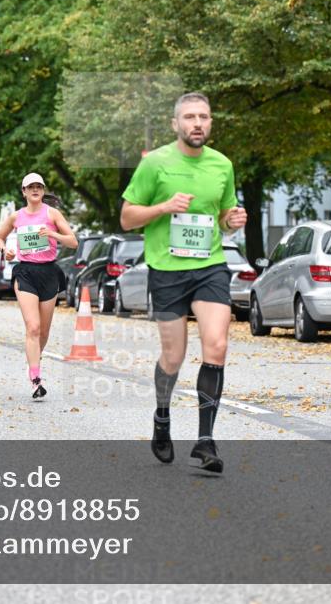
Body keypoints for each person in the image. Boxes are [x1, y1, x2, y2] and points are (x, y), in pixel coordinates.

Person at [120, 92, 247, 474]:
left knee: (217, 344)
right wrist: (163, 207)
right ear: (175, 124)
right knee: (174, 356)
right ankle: (162, 416)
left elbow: (224, 213)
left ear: (211, 123)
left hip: (210, 265)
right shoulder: (155, 163)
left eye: (204, 117)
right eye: (189, 117)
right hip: (167, 270)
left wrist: (232, 221)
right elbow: (127, 218)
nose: (197, 123)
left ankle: (205, 440)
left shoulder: (222, 165)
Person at [0, 173, 78, 399]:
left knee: (44, 330)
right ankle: (35, 378)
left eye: (39, 186)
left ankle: (34, 361)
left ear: (43, 190)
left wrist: (51, 233)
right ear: (24, 192)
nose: (35, 190)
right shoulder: (16, 217)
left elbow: (73, 242)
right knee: (33, 326)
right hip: (25, 272)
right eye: (30, 187)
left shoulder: (52, 214)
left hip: (49, 272)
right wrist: (5, 251)